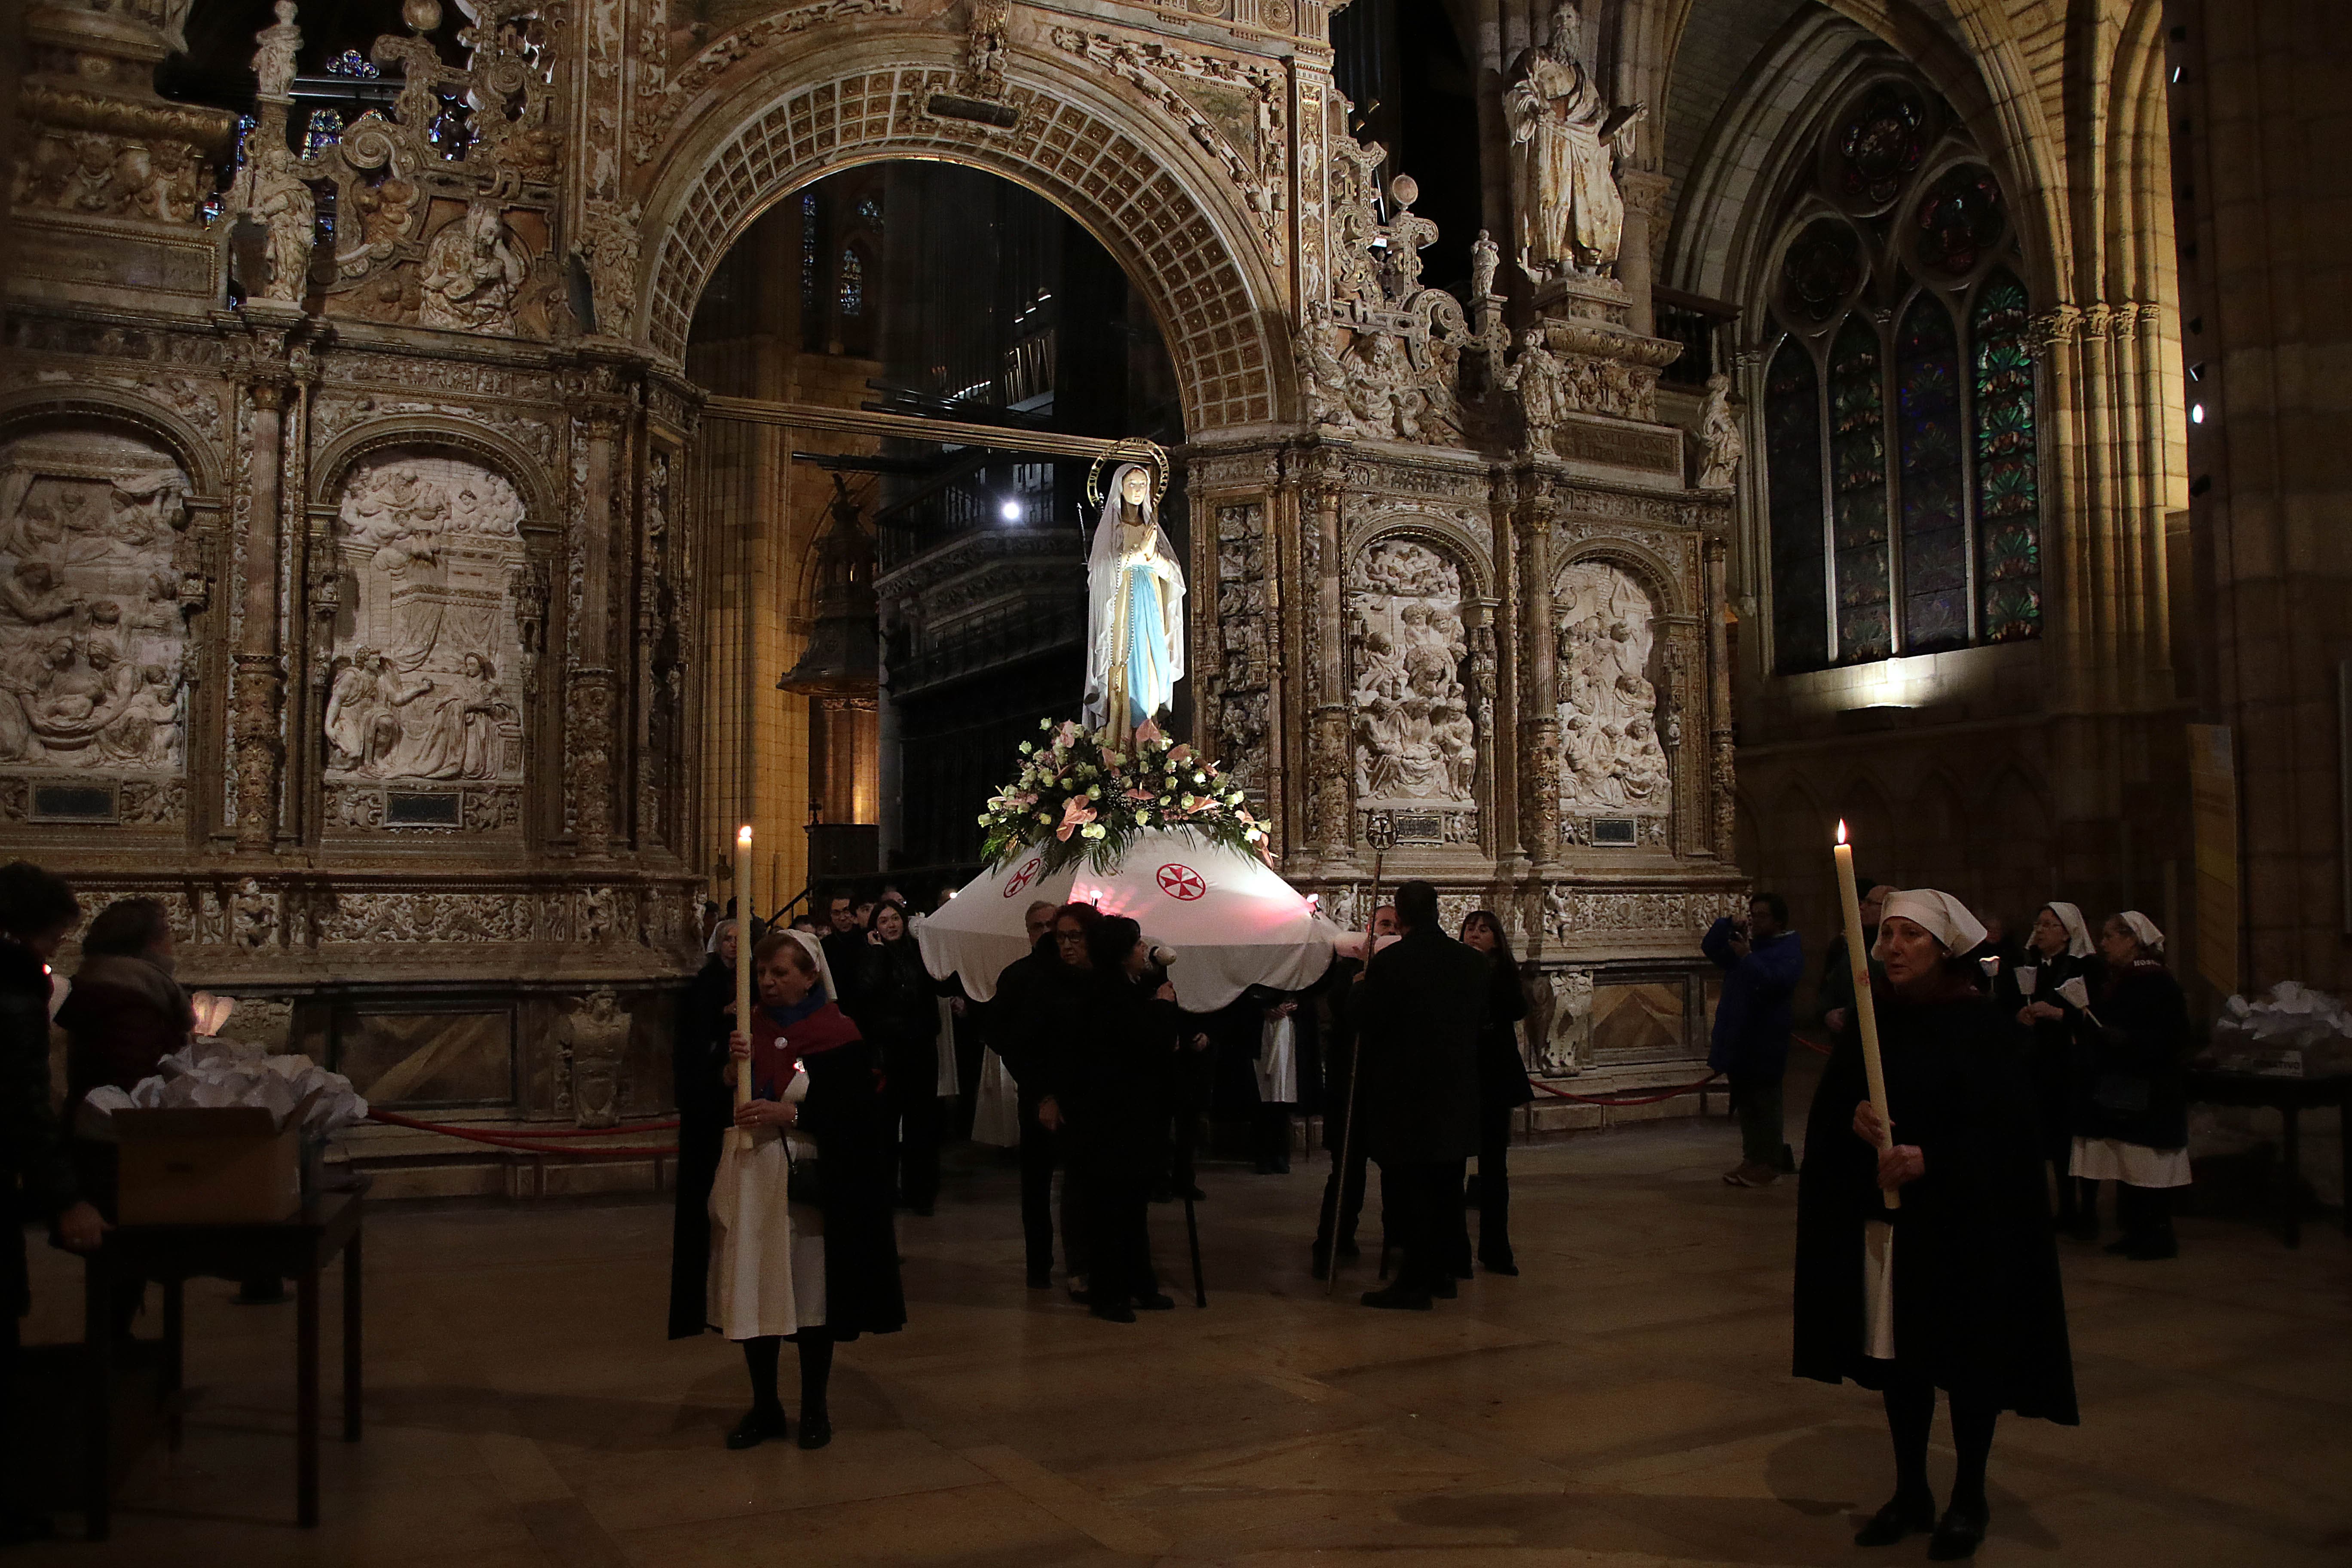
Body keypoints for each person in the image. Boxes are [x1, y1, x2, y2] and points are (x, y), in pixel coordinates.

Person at [1796, 888, 2076, 1561]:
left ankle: (1969, 1496)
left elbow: (2009, 1135)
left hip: (1963, 1224)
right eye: (1886, 934)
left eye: (1909, 937)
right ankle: (1911, 1490)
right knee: (1902, 1364)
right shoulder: (1873, 1020)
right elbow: (1835, 1110)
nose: (1892, 948)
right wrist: (1855, 1117)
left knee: (1967, 1361)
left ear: (1943, 948)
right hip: (1889, 1224)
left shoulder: (1980, 1026)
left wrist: (1935, 1158)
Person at [706, 931, 903, 1450]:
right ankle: (765, 1406)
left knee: (811, 1296)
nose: (768, 983)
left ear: (811, 976)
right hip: (754, 1174)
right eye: (763, 974)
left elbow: (859, 1115)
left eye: (781, 974)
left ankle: (814, 1408)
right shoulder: (748, 1028)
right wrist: (731, 1069)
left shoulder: (837, 1035)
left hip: (813, 1181)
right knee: (757, 1288)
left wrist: (792, 1113)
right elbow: (717, 1094)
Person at [1, 864, 107, 1545]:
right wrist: (65, 1199)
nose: (52, 958)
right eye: (52, 941)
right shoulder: (13, 987)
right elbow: (20, 1103)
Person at [1354, 882, 1486, 1311]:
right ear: (1437, 910)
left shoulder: (1392, 962)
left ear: (1403, 917)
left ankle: (1413, 1282)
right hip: (1456, 1091)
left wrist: (1359, 989)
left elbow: (1367, 1021)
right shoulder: (1470, 962)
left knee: (1410, 1193)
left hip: (1406, 1094)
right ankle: (1443, 1273)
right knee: (1448, 1189)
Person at [1067, 916, 1177, 1323]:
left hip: (1129, 1117)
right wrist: (1164, 1011)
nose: (1141, 950)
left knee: (1132, 1207)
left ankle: (1139, 1283)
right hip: (1111, 1118)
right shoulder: (1105, 994)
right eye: (1135, 945)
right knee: (1112, 1209)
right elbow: (1138, 1045)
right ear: (1120, 954)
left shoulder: (1124, 990)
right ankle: (1110, 1293)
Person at [2069, 913, 2190, 1261]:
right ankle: (2137, 1232)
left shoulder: (2154, 980)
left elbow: (2171, 1034)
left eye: (2110, 937)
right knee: (2130, 1166)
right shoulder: (2123, 978)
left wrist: (2129, 1039)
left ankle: (2158, 1236)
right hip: (2126, 1086)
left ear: (2132, 940)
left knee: (2148, 1166)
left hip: (2149, 1088)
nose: (2103, 944)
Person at [992, 900, 1093, 1289]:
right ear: (1028, 931)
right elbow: (1009, 1041)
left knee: (1078, 1182)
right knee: (1036, 1184)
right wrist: (1041, 1094)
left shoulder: (1078, 974)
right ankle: (1039, 1264)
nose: (1048, 933)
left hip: (1076, 1094)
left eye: (1055, 926)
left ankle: (1080, 1265)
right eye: (1040, 926)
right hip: (1036, 1094)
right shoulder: (1018, 977)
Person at [1999, 902, 2102, 1237]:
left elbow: (2098, 1017)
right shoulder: (2030, 965)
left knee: (2079, 1141)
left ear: (2066, 932)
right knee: (2054, 1142)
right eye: (2038, 923)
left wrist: (2060, 1015)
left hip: (2073, 1066)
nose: (2040, 930)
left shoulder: (2086, 967)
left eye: (2048, 925)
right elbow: (2012, 1004)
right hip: (2040, 1066)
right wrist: (2021, 1015)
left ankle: (2088, 1213)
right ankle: (2065, 1209)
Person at [1312, 904, 1396, 1279]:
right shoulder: (1347, 971)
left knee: (1396, 1173)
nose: (1389, 931)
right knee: (1346, 1171)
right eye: (1383, 925)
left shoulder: (1401, 971)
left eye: (1395, 925)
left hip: (1386, 1086)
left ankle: (1398, 1241)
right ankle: (1333, 1239)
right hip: (1350, 1086)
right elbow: (1339, 1010)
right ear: (1369, 931)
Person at [668, 917, 739, 1340]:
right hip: (710, 1102)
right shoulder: (704, 983)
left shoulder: (752, 979)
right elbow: (694, 1042)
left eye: (739, 939)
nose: (733, 946)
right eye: (727, 939)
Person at [1704, 893, 1805, 1188]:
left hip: (1765, 1040)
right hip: (1739, 1039)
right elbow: (1711, 949)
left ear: (1778, 921)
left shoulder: (1788, 948)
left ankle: (1770, 1162)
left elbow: (1777, 981)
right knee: (1746, 1102)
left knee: (1765, 1104)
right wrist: (1726, 925)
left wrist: (1748, 958)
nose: (1755, 920)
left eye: (1762, 915)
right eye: (1753, 913)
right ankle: (1752, 1157)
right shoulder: (1746, 946)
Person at [854, 899, 944, 1217]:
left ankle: (921, 1193)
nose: (891, 925)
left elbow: (938, 983)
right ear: (874, 928)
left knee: (922, 1122)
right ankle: (885, 1191)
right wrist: (877, 954)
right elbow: (867, 992)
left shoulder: (918, 952)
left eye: (895, 919)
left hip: (920, 1046)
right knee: (886, 1124)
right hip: (888, 1050)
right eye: (884, 921)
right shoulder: (870, 956)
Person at [1460, 910, 1535, 1274]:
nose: (1475, 934)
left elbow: (1517, 1008)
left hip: (1494, 1077)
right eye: (1470, 929)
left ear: (1496, 939)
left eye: (1484, 930)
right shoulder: (1454, 968)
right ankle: (1456, 1250)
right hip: (1462, 1075)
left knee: (1494, 1167)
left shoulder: (1504, 972)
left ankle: (1496, 1247)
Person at [1819, 882, 1893, 1036]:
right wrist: (1828, 1013)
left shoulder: (1895, 947)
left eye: (1870, 903)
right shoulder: (1844, 944)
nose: (1862, 907)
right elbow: (1829, 987)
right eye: (1862, 902)